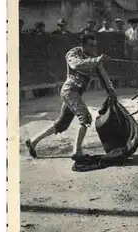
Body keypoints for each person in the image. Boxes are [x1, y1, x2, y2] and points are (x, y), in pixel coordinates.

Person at [24, 33, 116, 162]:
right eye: (91, 46)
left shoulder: (94, 56)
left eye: (95, 46)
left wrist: (110, 90)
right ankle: (77, 152)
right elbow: (77, 65)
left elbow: (102, 74)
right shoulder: (73, 53)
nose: (94, 49)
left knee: (62, 124)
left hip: (75, 92)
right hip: (69, 91)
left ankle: (33, 141)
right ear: (82, 45)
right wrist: (96, 60)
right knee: (85, 118)